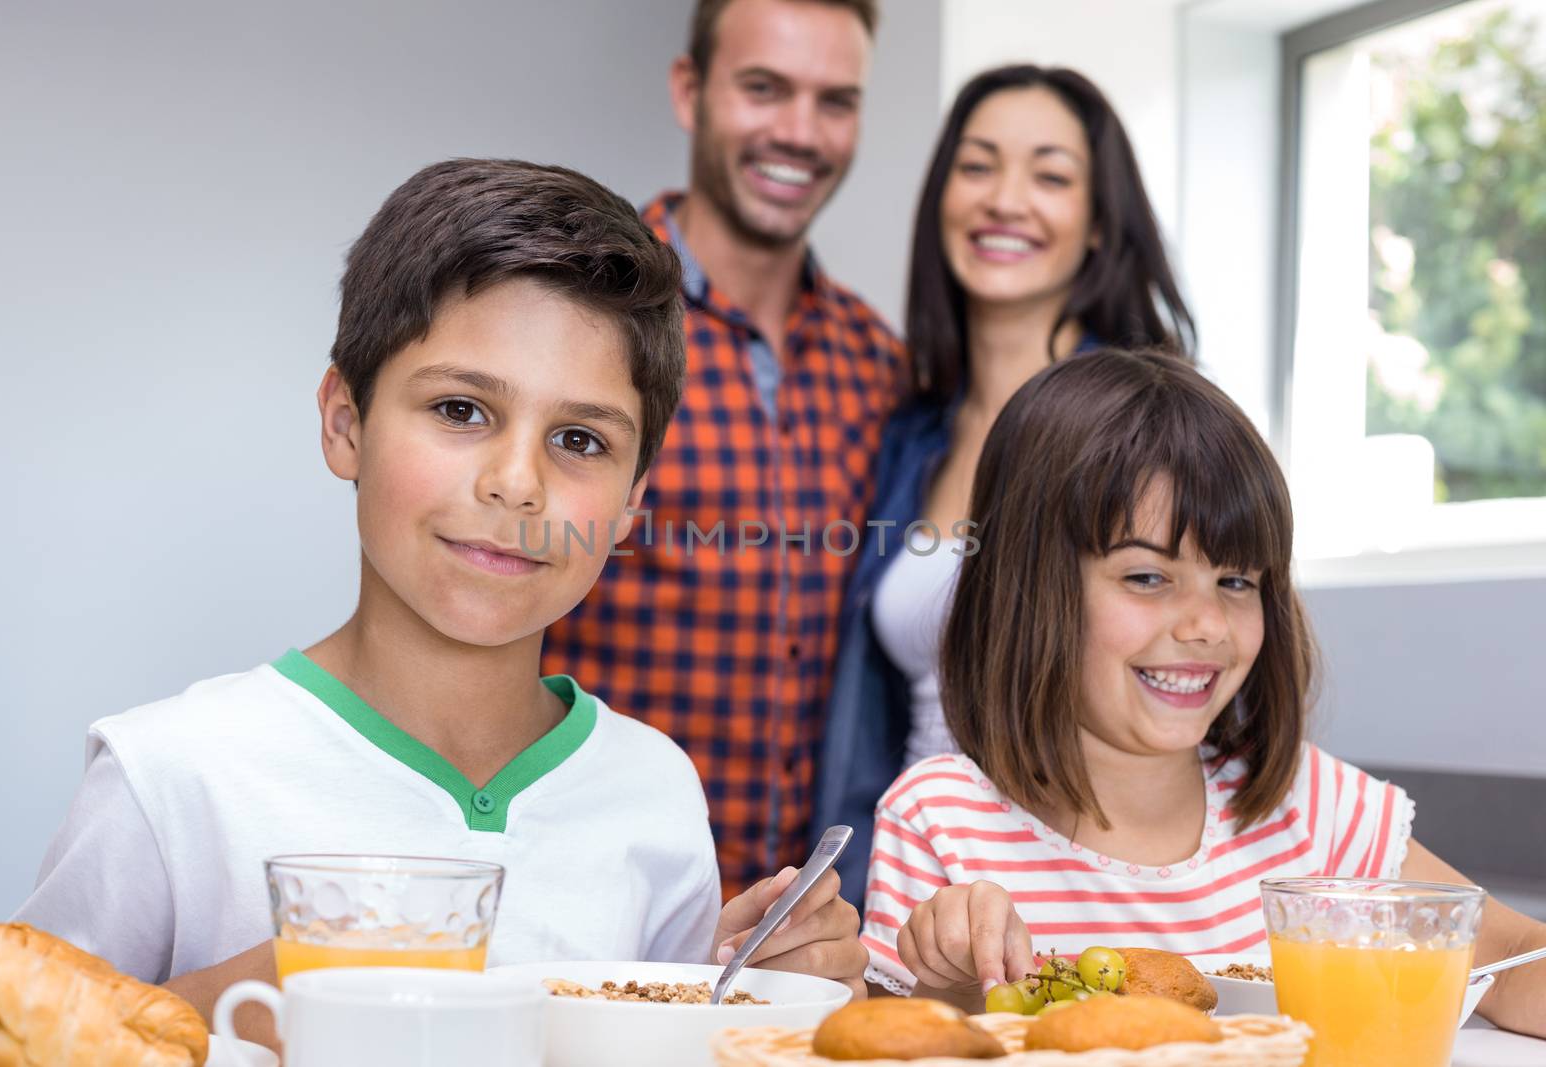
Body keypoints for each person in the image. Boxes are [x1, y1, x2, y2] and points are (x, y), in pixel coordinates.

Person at [14, 159, 867, 1040]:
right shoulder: (171, 777)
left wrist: (735, 1000)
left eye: (579, 438)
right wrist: (232, 1002)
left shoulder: (653, 792)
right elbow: (4, 1044)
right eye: (461, 410)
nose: (516, 483)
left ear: (632, 503)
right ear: (345, 422)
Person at [857, 349, 1546, 1036]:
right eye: (1147, 578)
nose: (1207, 624)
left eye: (1238, 580)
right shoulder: (940, 822)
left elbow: (1514, 956)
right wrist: (949, 980)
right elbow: (900, 1036)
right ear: (1028, 587)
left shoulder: (1316, 813)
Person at [542, 0, 908, 900]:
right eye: (763, 88)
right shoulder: (579, 312)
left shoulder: (881, 362)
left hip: (802, 928)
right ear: (689, 90)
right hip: (596, 893)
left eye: (835, 101)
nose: (799, 131)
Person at [814, 64, 1195, 904]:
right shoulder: (913, 434)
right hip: (910, 891)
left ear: (1099, 222)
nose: (1005, 199)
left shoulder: (1148, 428)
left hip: (1080, 893)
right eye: (978, 165)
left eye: (1051, 175)